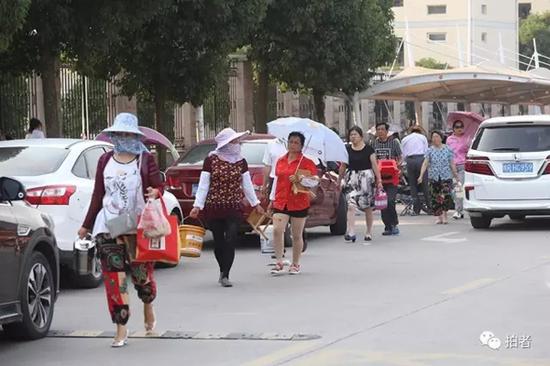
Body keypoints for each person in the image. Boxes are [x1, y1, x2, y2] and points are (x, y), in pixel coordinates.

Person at [78, 113, 162, 347]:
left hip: (137, 229)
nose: (122, 138)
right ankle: (120, 327)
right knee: (115, 279)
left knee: (140, 277)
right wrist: (86, 225)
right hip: (108, 227)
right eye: (118, 134)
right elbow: (98, 195)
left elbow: (158, 187)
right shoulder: (105, 161)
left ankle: (148, 304)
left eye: (127, 134)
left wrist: (155, 192)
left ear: (135, 135)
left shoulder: (145, 160)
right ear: (113, 136)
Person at [190, 128, 264, 287]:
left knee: (231, 238)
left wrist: (255, 204)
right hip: (214, 206)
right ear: (225, 144)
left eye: (237, 141)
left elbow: (247, 185)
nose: (236, 144)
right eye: (233, 141)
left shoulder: (241, 161)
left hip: (234, 206)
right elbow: (203, 185)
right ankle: (222, 269)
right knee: (219, 241)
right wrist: (197, 206)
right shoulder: (211, 160)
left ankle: (225, 274)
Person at [268, 131, 319, 275]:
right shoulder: (280, 160)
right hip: (281, 200)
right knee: (277, 230)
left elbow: (314, 181)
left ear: (302, 145)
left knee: (296, 235)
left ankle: (295, 263)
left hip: (298, 202)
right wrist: (272, 199)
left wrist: (300, 178)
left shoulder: (307, 162)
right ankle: (279, 261)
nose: (293, 145)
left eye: (296, 142)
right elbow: (276, 180)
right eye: (291, 141)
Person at [338, 126, 383, 243]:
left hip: (366, 179)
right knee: (351, 205)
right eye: (351, 135)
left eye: (355, 135)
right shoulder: (346, 149)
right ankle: (351, 231)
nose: (353, 137)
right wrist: (339, 180)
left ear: (361, 136)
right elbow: (343, 166)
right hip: (351, 179)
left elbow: (374, 165)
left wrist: (379, 181)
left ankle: (368, 231)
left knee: (367, 207)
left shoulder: (369, 149)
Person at [418, 131, 460, 224]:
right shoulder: (430, 150)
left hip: (446, 176)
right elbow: (425, 163)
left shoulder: (448, 149)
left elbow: (452, 163)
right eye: (433, 137)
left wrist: (456, 176)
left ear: (441, 138)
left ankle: (445, 215)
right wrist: (421, 175)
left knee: (446, 196)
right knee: (435, 197)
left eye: (437, 137)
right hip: (434, 176)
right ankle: (438, 216)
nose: (435, 139)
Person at [371, 122, 402, 236]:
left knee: (390, 201)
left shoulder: (394, 143)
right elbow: (372, 160)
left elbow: (401, 157)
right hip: (379, 179)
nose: (380, 131)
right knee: (382, 203)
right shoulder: (373, 144)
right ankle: (387, 226)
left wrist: (396, 166)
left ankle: (394, 224)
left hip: (392, 178)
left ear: (387, 131)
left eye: (382, 129)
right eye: (378, 129)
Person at [401, 125, 429, 215]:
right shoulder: (422, 137)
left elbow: (403, 153)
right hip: (421, 159)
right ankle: (430, 207)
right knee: (425, 184)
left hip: (410, 160)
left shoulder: (405, 139)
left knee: (413, 185)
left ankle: (416, 209)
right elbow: (426, 151)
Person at [446, 120, 470, 219]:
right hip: (451, 166)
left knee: (459, 187)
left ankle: (458, 210)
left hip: (462, 165)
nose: (459, 128)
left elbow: (469, 151)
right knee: (453, 189)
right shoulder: (449, 139)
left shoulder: (467, 139)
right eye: (456, 127)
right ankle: (459, 207)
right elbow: (447, 152)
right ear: (453, 128)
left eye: (461, 126)